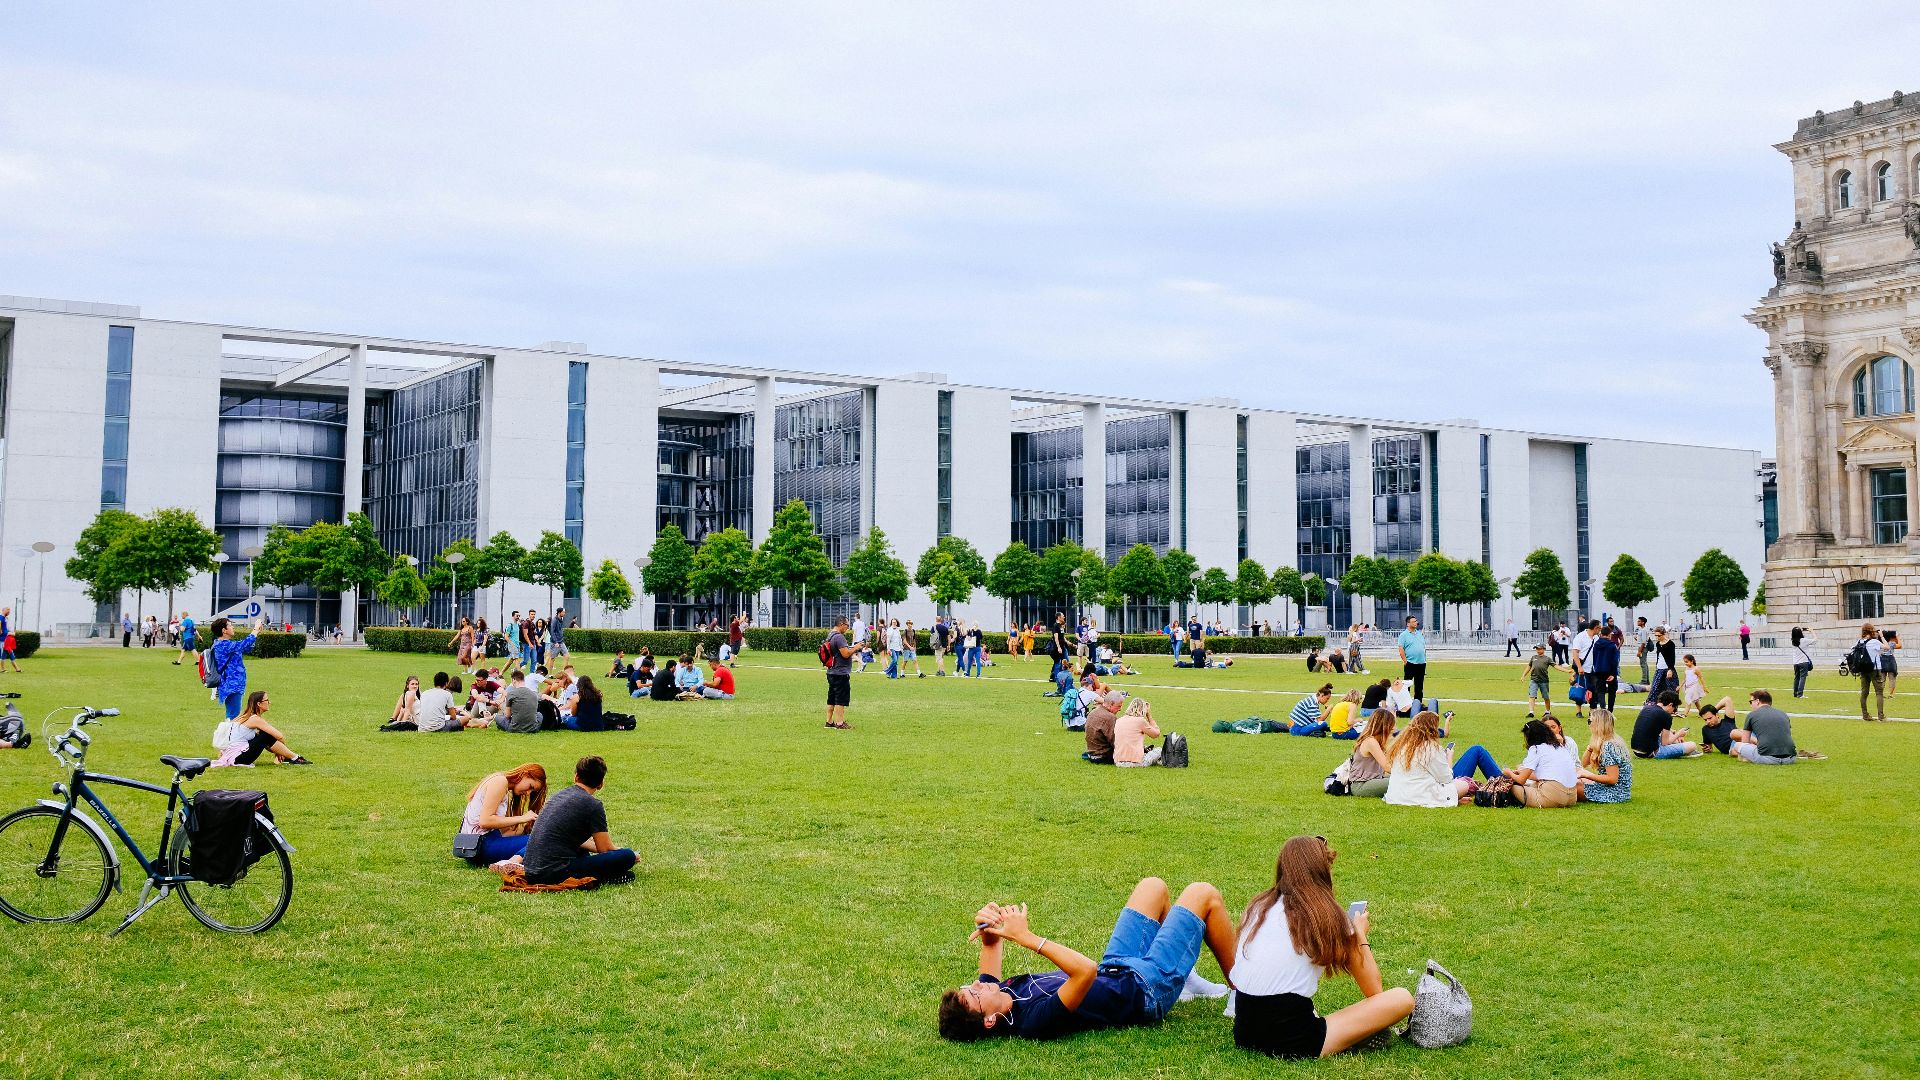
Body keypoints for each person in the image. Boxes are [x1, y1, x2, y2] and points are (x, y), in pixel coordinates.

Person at [937, 876, 1235, 1042]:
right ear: (989, 1021)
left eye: (970, 985)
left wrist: (988, 927)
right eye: (974, 994)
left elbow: (989, 949)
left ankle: (1187, 981)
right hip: (1145, 990)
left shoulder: (1000, 992)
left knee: (1153, 887)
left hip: (1117, 967)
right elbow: (1085, 971)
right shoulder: (1033, 1021)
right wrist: (1028, 939)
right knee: (1203, 893)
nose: (977, 984)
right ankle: (1243, 991)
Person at [1230, 836, 1415, 1059]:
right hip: (1295, 1041)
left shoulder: (1258, 907)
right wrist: (1359, 934)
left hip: (1244, 1032)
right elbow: (1374, 990)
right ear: (1322, 872)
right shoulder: (1327, 916)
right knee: (1402, 998)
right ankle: (1350, 1037)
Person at [519, 756, 636, 885]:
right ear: (601, 784)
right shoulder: (593, 805)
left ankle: (605, 874)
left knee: (583, 851)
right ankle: (606, 875)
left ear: (576, 777)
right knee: (628, 855)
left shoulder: (558, 796)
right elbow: (605, 850)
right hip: (554, 873)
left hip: (531, 871)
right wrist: (626, 854)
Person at [1383, 711, 1498, 807]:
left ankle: (1503, 781)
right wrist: (1449, 757)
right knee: (1474, 759)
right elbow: (1446, 779)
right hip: (1422, 795)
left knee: (1475, 754)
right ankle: (1503, 782)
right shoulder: (1430, 748)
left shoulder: (1402, 746)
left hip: (1399, 795)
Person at [458, 763, 547, 869]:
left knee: (539, 838)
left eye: (532, 791)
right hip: (481, 845)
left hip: (477, 845)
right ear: (525, 774)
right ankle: (510, 863)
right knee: (543, 839)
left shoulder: (500, 783)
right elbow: (485, 822)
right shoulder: (500, 781)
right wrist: (523, 818)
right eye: (530, 787)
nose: (528, 793)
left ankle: (514, 861)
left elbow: (504, 833)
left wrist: (527, 825)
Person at [214, 690, 312, 766]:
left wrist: (279, 751)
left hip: (231, 756)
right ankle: (295, 758)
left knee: (260, 736)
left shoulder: (242, 716)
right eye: (267, 700)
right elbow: (280, 736)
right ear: (259, 704)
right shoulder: (255, 719)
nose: (269, 702)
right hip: (238, 758)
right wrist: (280, 753)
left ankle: (290, 757)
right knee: (266, 736)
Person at [1504, 719, 1580, 807]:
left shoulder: (1536, 748)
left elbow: (1521, 780)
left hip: (1553, 798)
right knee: (1535, 784)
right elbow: (1547, 775)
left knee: (1510, 786)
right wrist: (1521, 772)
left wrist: (1508, 772)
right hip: (1572, 798)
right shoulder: (1559, 746)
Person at [208, 616, 265, 725]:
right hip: (231, 684)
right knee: (233, 716)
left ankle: (230, 737)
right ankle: (229, 738)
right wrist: (256, 629)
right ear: (224, 630)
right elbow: (244, 644)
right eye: (230, 625)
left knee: (233, 714)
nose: (232, 627)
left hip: (233, 683)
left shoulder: (223, 644)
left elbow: (246, 647)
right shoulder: (223, 645)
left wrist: (256, 634)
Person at [1727, 689, 1798, 764]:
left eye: (1751, 702)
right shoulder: (1783, 714)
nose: (1750, 705)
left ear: (1757, 701)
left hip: (1767, 758)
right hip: (1790, 759)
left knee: (1737, 745)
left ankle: (1747, 759)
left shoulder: (1752, 715)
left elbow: (1745, 742)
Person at [1577, 708, 1633, 803]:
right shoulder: (1607, 741)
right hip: (1618, 791)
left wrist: (1588, 775)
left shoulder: (1609, 746)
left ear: (1599, 724)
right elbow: (1584, 764)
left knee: (1572, 788)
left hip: (1615, 793)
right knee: (1578, 781)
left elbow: (1612, 779)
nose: (1589, 724)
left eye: (1590, 721)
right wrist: (1590, 748)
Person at [1342, 710, 1396, 798]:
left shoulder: (1376, 740)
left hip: (1372, 780)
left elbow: (1389, 764)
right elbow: (1387, 767)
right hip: (1360, 785)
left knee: (1399, 779)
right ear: (1385, 725)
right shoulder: (1371, 741)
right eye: (1393, 724)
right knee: (1401, 781)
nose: (1394, 728)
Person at [1630, 691, 1697, 758]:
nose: (1674, 711)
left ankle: (1678, 746)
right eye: (1675, 708)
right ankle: (1680, 750)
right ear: (1670, 705)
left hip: (1636, 750)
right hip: (1650, 752)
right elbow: (1665, 743)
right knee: (1692, 745)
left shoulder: (1646, 708)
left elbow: (1652, 726)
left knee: (1671, 734)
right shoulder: (1666, 716)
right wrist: (1679, 734)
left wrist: (1672, 732)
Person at [824, 615, 854, 729]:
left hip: (831, 671)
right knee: (840, 698)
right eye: (847, 625)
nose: (847, 628)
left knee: (832, 697)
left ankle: (829, 721)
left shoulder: (830, 635)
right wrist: (855, 647)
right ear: (841, 624)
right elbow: (845, 653)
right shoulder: (839, 637)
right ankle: (840, 723)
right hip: (840, 672)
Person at [1114, 698, 1162, 766]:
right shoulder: (1140, 721)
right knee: (1159, 750)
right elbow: (1156, 734)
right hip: (1136, 762)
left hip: (1118, 761)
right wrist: (1149, 716)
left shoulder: (1119, 720)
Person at [1854, 622, 1886, 722]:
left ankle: (1865, 715)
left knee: (1864, 692)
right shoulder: (1874, 642)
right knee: (1879, 692)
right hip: (1875, 669)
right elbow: (1887, 647)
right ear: (1872, 631)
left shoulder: (1859, 641)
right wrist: (1881, 636)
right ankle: (1881, 716)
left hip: (1863, 669)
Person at [1082, 688, 1123, 764]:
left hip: (1091, 754)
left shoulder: (1093, 712)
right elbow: (1115, 741)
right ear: (1111, 704)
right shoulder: (1110, 717)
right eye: (1119, 706)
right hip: (1103, 756)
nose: (1120, 709)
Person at [1395, 616, 1426, 702]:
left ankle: (1418, 703)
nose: (1416, 623)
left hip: (1421, 663)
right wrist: (1405, 661)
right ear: (1408, 624)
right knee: (1407, 685)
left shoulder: (1419, 634)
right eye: (1413, 621)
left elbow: (1422, 646)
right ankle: (1406, 703)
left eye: (1416, 621)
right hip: (1410, 663)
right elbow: (1401, 649)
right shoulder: (1403, 635)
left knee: (1419, 685)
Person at [1524, 644, 1553, 718]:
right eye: (1537, 649)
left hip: (1544, 680)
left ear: (1544, 649)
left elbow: (1556, 666)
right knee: (1532, 696)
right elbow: (1529, 666)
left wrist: (1566, 670)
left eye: (1539, 649)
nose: (1538, 650)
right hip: (1534, 679)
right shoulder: (1533, 657)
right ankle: (1531, 712)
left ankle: (1547, 711)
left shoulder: (1547, 659)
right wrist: (1523, 675)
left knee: (1546, 697)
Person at [1649, 626, 1678, 698]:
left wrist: (1670, 669)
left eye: (1659, 636)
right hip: (1659, 669)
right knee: (1655, 689)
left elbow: (1672, 658)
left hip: (1667, 669)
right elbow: (1658, 656)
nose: (1657, 637)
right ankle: (1653, 705)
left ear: (1664, 634)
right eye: (1656, 636)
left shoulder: (1670, 644)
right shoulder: (1658, 644)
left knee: (1670, 689)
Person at [1789, 627, 1814, 698]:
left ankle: (1795, 693)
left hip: (1796, 662)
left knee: (1797, 677)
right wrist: (1812, 631)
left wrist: (1799, 630)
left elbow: (1795, 633)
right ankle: (1800, 694)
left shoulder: (1793, 641)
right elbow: (1815, 640)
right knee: (1803, 677)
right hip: (1803, 662)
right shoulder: (1804, 640)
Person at [1881, 629, 1901, 697]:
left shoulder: (1880, 643)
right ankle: (1890, 694)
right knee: (1892, 678)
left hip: (1882, 661)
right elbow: (1900, 645)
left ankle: (1881, 694)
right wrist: (1897, 637)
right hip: (1891, 661)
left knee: (1882, 679)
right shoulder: (1892, 643)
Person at [0, 607, 20, 673]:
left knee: (11, 653)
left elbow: (6, 628)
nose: (9, 611)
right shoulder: (1, 617)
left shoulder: (5, 618)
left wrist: (11, 632)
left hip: (7, 640)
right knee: (3, 654)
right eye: (7, 610)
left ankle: (17, 668)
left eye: (9, 610)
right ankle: (3, 669)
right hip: (3, 640)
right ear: (3, 610)